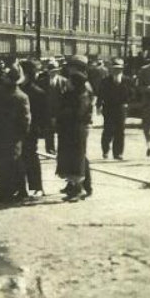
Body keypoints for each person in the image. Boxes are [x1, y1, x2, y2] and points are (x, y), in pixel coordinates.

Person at [0, 64, 31, 203]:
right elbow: (25, 120)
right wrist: (22, 134)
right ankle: (20, 191)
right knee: (14, 163)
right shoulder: (22, 97)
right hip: (13, 137)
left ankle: (3, 193)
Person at [56, 56, 94, 200]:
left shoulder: (83, 85)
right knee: (77, 156)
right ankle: (75, 185)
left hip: (78, 127)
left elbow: (80, 109)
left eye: (71, 66)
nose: (69, 68)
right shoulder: (75, 83)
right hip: (72, 127)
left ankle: (82, 187)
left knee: (79, 157)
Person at [19, 59, 48, 197]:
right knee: (19, 159)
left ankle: (37, 187)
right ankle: (21, 189)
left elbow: (42, 114)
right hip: (17, 130)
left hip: (30, 130)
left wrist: (39, 130)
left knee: (31, 157)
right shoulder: (18, 89)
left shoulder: (37, 92)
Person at [95, 57, 132, 160]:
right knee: (108, 129)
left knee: (120, 130)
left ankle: (118, 153)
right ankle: (105, 150)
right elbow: (100, 94)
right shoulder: (105, 81)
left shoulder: (127, 80)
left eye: (119, 69)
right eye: (115, 69)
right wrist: (98, 106)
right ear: (111, 69)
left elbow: (132, 93)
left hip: (121, 107)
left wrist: (128, 103)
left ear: (122, 69)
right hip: (108, 107)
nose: (117, 71)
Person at [36, 57, 64, 154]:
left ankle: (61, 149)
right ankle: (50, 149)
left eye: (56, 71)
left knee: (61, 131)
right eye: (52, 71)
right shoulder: (42, 82)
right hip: (47, 110)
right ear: (48, 72)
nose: (54, 73)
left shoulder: (64, 81)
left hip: (60, 110)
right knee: (48, 131)